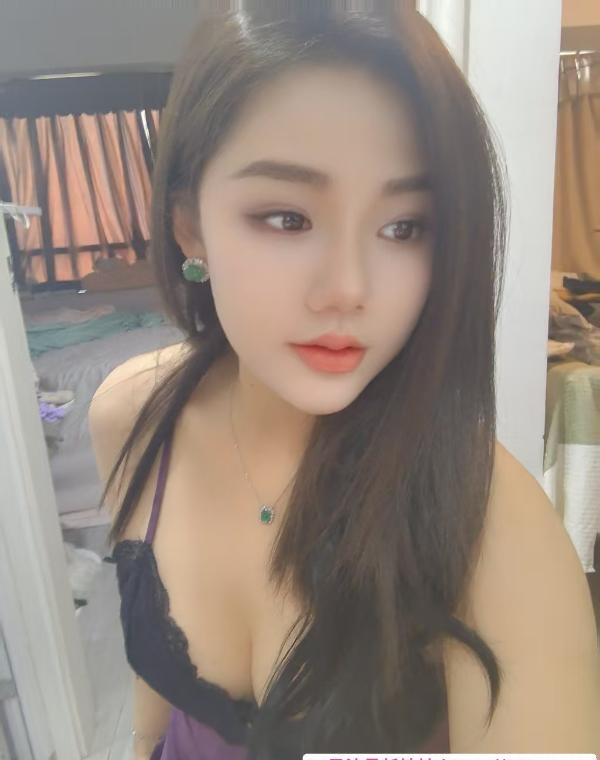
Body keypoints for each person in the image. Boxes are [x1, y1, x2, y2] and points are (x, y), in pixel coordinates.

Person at [88, 2, 600, 759]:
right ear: (190, 225)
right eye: (287, 218)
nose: (349, 289)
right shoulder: (134, 415)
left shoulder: (491, 530)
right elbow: (155, 702)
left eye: (404, 227)